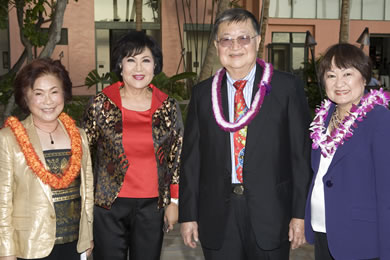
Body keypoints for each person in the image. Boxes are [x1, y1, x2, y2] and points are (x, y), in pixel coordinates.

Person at [179, 8, 312, 260]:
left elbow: (300, 155)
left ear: (258, 41)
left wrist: (299, 213)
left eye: (244, 38)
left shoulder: (285, 88)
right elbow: (191, 162)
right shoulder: (202, 94)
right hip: (217, 214)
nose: (235, 46)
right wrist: (188, 215)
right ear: (217, 45)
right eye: (226, 39)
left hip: (272, 213)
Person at [83, 31, 183, 260]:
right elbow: (85, 158)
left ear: (155, 65)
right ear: (120, 64)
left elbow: (176, 159)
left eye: (145, 60)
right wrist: (85, 208)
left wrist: (173, 202)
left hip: (151, 206)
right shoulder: (100, 104)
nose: (138, 68)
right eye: (131, 60)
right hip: (108, 206)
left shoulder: (167, 106)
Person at [0, 58, 94, 260]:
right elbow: (3, 202)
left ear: (64, 93)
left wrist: (88, 237)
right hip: (31, 246)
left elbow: (87, 191)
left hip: (74, 245)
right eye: (38, 94)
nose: (48, 101)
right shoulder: (8, 139)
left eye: (54, 91)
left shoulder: (79, 136)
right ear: (25, 97)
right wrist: (6, 252)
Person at [305, 43, 390, 259]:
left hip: (360, 237)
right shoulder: (322, 118)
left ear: (364, 77)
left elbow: (386, 191)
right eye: (331, 75)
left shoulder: (379, 119)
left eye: (348, 74)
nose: (339, 83)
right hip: (324, 227)